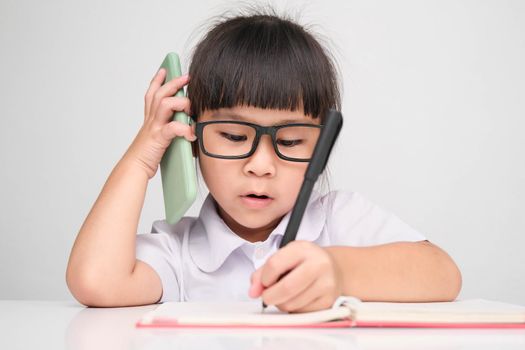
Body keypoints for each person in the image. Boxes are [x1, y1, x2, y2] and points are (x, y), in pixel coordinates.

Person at [66, 8, 462, 312]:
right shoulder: (178, 252)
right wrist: (142, 157)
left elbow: (444, 275)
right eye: (235, 136)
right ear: (192, 136)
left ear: (320, 147)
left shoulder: (340, 220)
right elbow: (96, 280)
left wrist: (339, 271)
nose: (261, 165)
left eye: (290, 141)